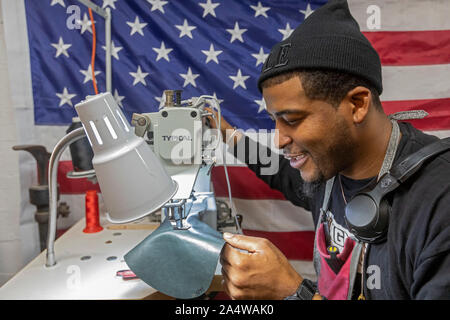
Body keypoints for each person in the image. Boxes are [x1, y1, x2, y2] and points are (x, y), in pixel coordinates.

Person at [207, 0, 450, 300]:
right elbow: (278, 172)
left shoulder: (439, 204)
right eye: (274, 121)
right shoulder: (328, 167)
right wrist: (225, 132)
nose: (279, 140)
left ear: (357, 104)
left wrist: (293, 292)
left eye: (292, 120)